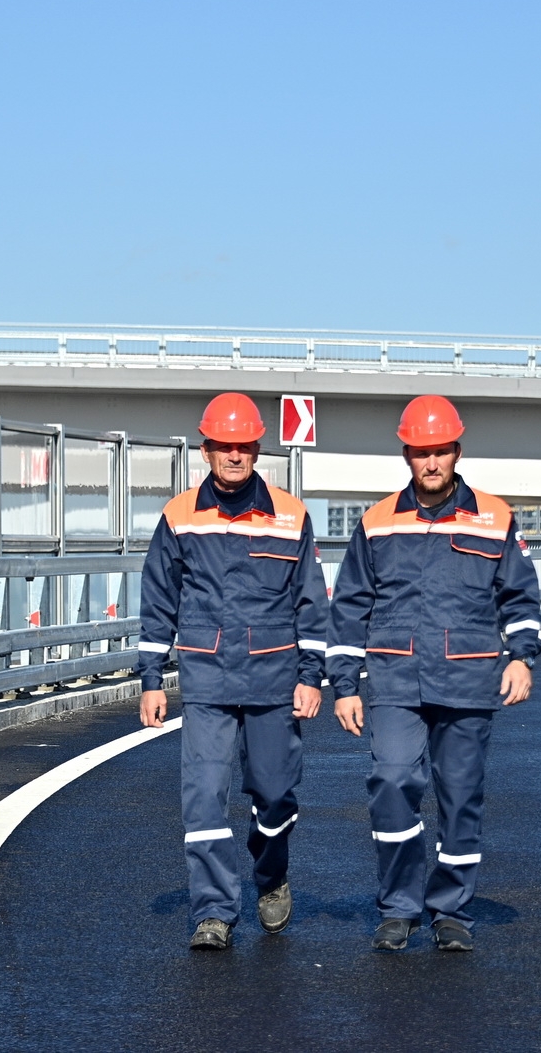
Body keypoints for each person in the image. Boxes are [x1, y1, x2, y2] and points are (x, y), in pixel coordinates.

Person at [328, 394, 541, 952]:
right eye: (421, 452)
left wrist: (521, 656)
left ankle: (451, 911)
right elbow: (350, 606)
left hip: (469, 682)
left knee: (460, 796)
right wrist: (344, 685)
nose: (431, 462)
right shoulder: (377, 521)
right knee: (393, 782)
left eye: (441, 451)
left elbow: (519, 596)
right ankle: (399, 906)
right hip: (396, 681)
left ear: (457, 451)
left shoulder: (495, 517)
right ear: (406, 454)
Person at [138, 391, 329, 951]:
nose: (234, 455)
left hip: (275, 680)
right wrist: (151, 678)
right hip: (206, 680)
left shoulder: (291, 515)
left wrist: (311, 675)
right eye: (224, 445)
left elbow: (311, 602)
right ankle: (214, 911)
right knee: (202, 799)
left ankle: (270, 875)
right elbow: (158, 602)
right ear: (206, 450)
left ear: (256, 449)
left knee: (274, 797)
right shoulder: (179, 516)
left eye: (244, 445)